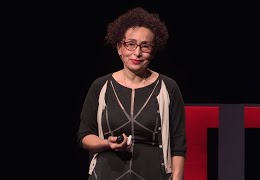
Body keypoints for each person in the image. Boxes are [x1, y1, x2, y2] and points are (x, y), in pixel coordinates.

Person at [77, 7, 187, 180]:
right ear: (120, 47)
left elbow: (178, 144)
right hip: (106, 174)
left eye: (145, 46)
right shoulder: (100, 86)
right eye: (131, 44)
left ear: (153, 51)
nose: (137, 52)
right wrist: (107, 143)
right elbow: (84, 136)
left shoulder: (168, 87)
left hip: (152, 173)